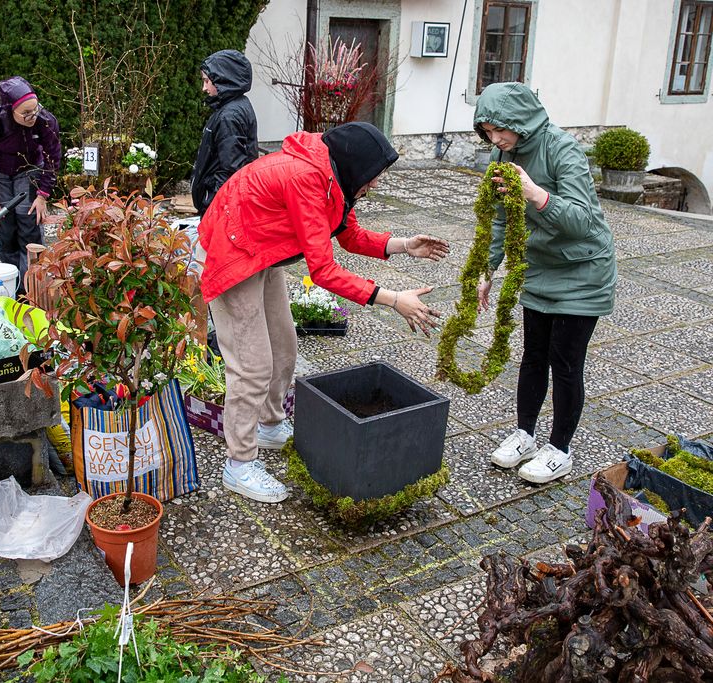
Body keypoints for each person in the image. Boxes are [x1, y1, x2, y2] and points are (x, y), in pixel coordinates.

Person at [198, 122, 451, 503]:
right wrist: (393, 299)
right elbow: (324, 270)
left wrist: (402, 245)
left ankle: (268, 426)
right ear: (357, 166)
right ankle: (239, 464)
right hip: (233, 254)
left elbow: (348, 234)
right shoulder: (306, 178)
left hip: (262, 251)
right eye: (375, 176)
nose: (376, 184)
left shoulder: (334, 178)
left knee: (284, 349)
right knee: (252, 366)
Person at [474, 82, 616, 485]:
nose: (495, 139)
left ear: (521, 119)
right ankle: (525, 435)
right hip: (539, 269)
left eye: (500, 129)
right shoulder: (502, 154)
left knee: (566, 363)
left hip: (582, 271)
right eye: (487, 132)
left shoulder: (562, 149)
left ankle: (560, 449)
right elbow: (501, 214)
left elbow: (582, 221)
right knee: (533, 356)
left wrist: (535, 193)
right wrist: (489, 269)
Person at [0, 77, 61, 294]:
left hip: (28, 169)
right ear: (11, 110)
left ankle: (33, 288)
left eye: (35, 110)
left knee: (29, 221)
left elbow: (52, 157)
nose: (32, 116)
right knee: (5, 224)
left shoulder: (45, 121)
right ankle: (12, 286)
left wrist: (42, 195)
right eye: (26, 113)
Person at [190, 49, 259, 218]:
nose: (204, 88)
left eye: (207, 81)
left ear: (223, 80)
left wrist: (213, 206)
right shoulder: (232, 107)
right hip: (221, 202)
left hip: (219, 204)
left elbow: (230, 168)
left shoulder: (230, 115)